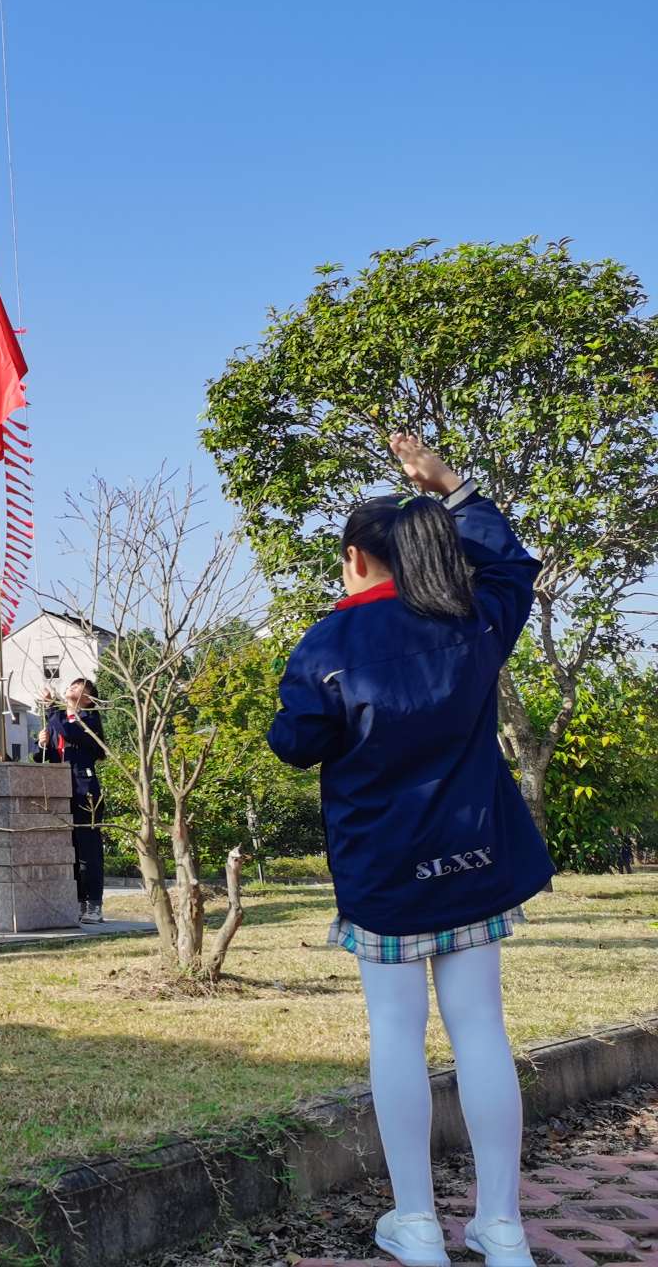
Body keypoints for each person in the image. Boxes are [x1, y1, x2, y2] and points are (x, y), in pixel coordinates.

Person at [269, 433, 552, 1267]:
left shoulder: (326, 646)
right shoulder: (471, 623)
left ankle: (417, 1226)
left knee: (396, 1034)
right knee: (482, 1033)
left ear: (357, 559)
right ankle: (502, 1230)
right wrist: (452, 487)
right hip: (474, 860)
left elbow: (295, 743)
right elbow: (512, 570)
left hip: (383, 869)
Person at [36, 679, 109, 924]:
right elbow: (46, 756)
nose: (72, 689)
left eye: (79, 688)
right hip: (60, 788)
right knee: (71, 850)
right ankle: (77, 901)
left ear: (87, 699)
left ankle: (94, 903)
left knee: (89, 849)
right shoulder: (57, 718)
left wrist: (50, 710)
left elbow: (70, 733)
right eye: (72, 685)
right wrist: (42, 743)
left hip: (83, 790)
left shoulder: (89, 721)